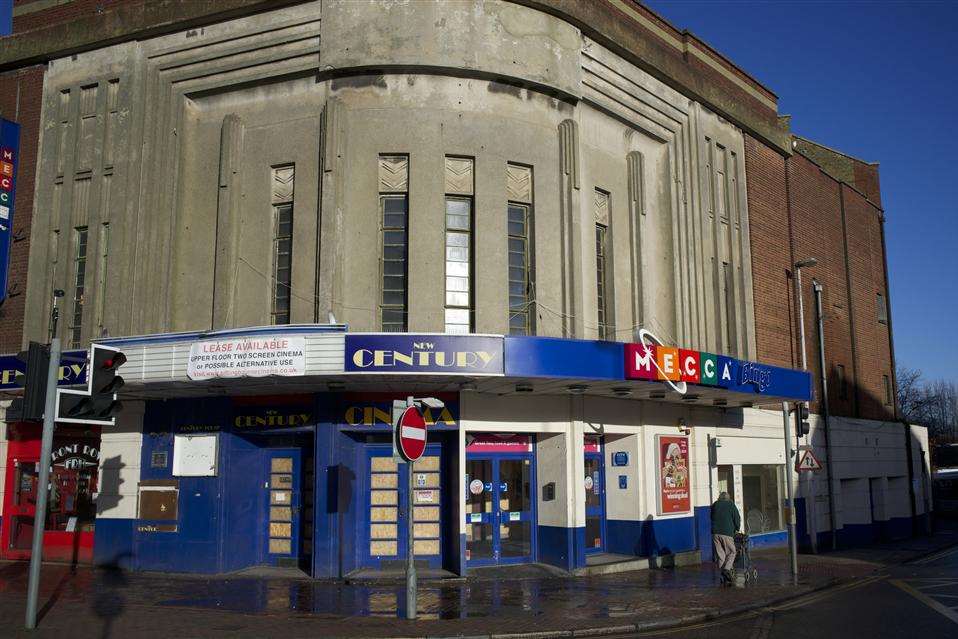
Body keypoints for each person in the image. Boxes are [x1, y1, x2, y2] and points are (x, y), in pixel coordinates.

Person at [711, 492, 741, 585]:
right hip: (727, 533)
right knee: (732, 552)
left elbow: (711, 517)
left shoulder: (715, 505)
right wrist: (737, 528)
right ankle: (726, 570)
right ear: (728, 498)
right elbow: (737, 518)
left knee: (721, 555)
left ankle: (722, 575)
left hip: (715, 533)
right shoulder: (731, 505)